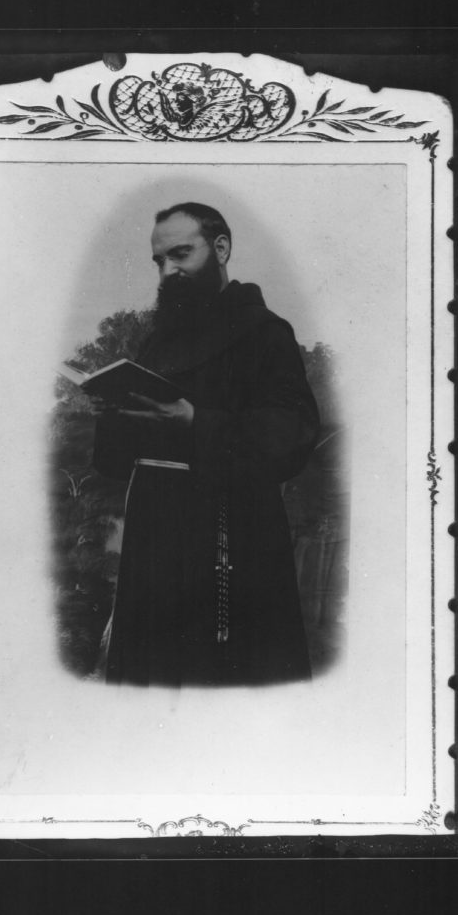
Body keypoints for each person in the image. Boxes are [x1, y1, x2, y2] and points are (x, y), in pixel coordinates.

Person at [92, 202, 319, 686]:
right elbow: (118, 463)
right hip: (154, 537)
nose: (167, 271)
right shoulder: (157, 343)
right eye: (159, 260)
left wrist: (195, 421)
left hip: (232, 535)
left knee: (223, 677)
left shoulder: (265, 333)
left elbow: (293, 434)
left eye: (181, 254)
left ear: (221, 248)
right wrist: (112, 415)